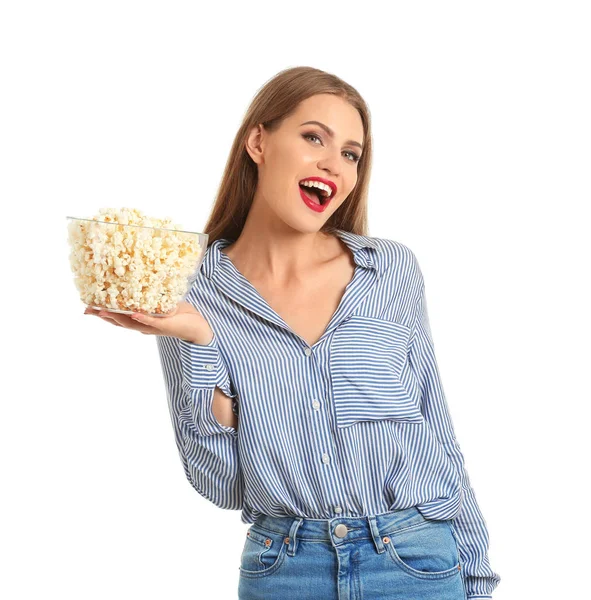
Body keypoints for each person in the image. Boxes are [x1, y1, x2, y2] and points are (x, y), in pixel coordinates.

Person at [85, 66, 501, 600]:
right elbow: (221, 484)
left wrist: (475, 576)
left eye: (351, 153)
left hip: (415, 561)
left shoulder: (390, 271)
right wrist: (196, 341)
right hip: (286, 569)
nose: (334, 164)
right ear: (258, 141)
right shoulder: (191, 289)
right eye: (313, 138)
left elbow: (436, 429)